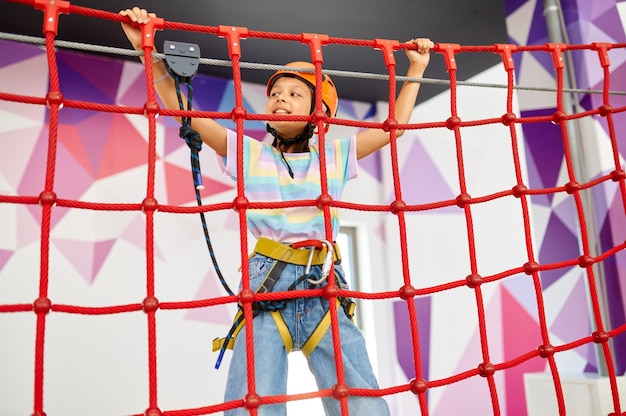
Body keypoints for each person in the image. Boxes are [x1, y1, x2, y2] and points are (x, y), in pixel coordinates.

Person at [120, 7, 433, 416]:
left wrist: (416, 69)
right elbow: (185, 112)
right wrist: (146, 48)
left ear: (319, 114)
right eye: (275, 92)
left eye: (295, 93)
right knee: (252, 403)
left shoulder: (333, 158)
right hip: (269, 285)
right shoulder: (249, 154)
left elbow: (395, 125)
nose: (280, 98)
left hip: (324, 286)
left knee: (364, 403)